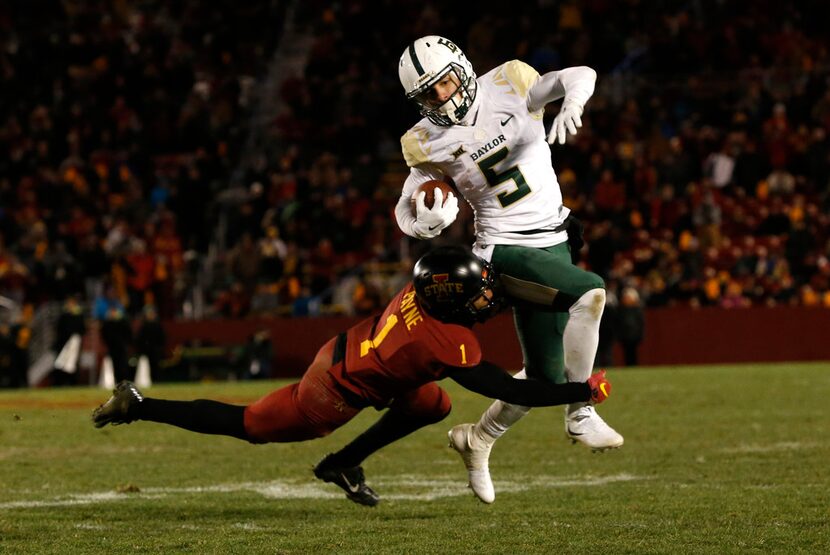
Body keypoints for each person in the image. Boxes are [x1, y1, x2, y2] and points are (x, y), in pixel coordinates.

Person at [92, 246, 612, 507]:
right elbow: (510, 389)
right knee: (247, 424)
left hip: (353, 353)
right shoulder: (451, 341)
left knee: (433, 404)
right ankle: (141, 405)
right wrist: (579, 390)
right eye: (475, 293)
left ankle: (342, 464)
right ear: (449, 299)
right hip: (334, 391)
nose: (486, 298)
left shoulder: (424, 295)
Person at [395, 36, 623, 504]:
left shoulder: (508, 81)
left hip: (553, 239)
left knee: (542, 377)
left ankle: (477, 439)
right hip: (501, 248)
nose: (440, 98)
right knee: (591, 294)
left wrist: (571, 102)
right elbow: (406, 205)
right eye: (427, 95)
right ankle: (580, 411)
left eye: (444, 84)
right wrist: (423, 223)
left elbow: (580, 74)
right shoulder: (422, 140)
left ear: (462, 67)